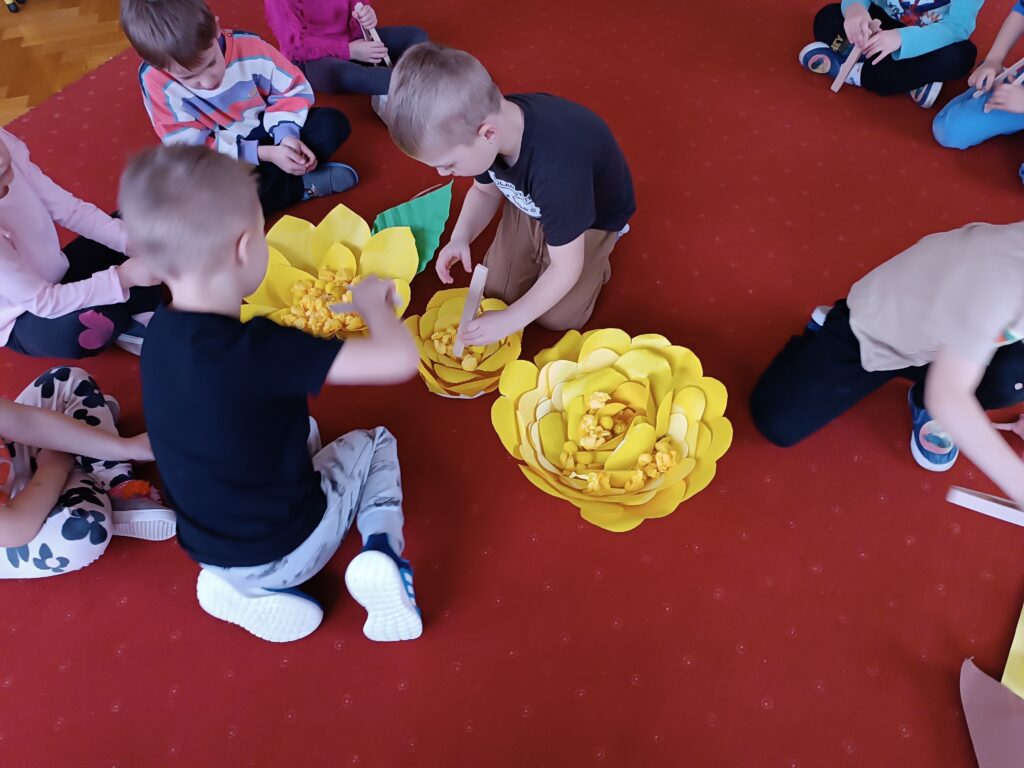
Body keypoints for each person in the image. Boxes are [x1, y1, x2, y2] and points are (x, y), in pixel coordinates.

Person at [122, 144, 423, 643]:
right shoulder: (261, 348)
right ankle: (382, 554)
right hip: (288, 545)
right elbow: (399, 360)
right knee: (376, 443)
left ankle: (246, 589)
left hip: (207, 547)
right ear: (244, 248)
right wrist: (374, 306)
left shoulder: (158, 335)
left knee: (295, 428)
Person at [121, 0, 358, 213]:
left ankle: (260, 194)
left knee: (332, 124)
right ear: (158, 66)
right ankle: (298, 186)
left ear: (215, 29)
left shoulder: (251, 48)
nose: (208, 82)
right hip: (223, 154)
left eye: (211, 63)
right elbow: (189, 147)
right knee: (192, 184)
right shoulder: (155, 81)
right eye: (189, 78)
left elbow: (291, 90)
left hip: (266, 129)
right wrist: (264, 153)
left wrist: (286, 137)